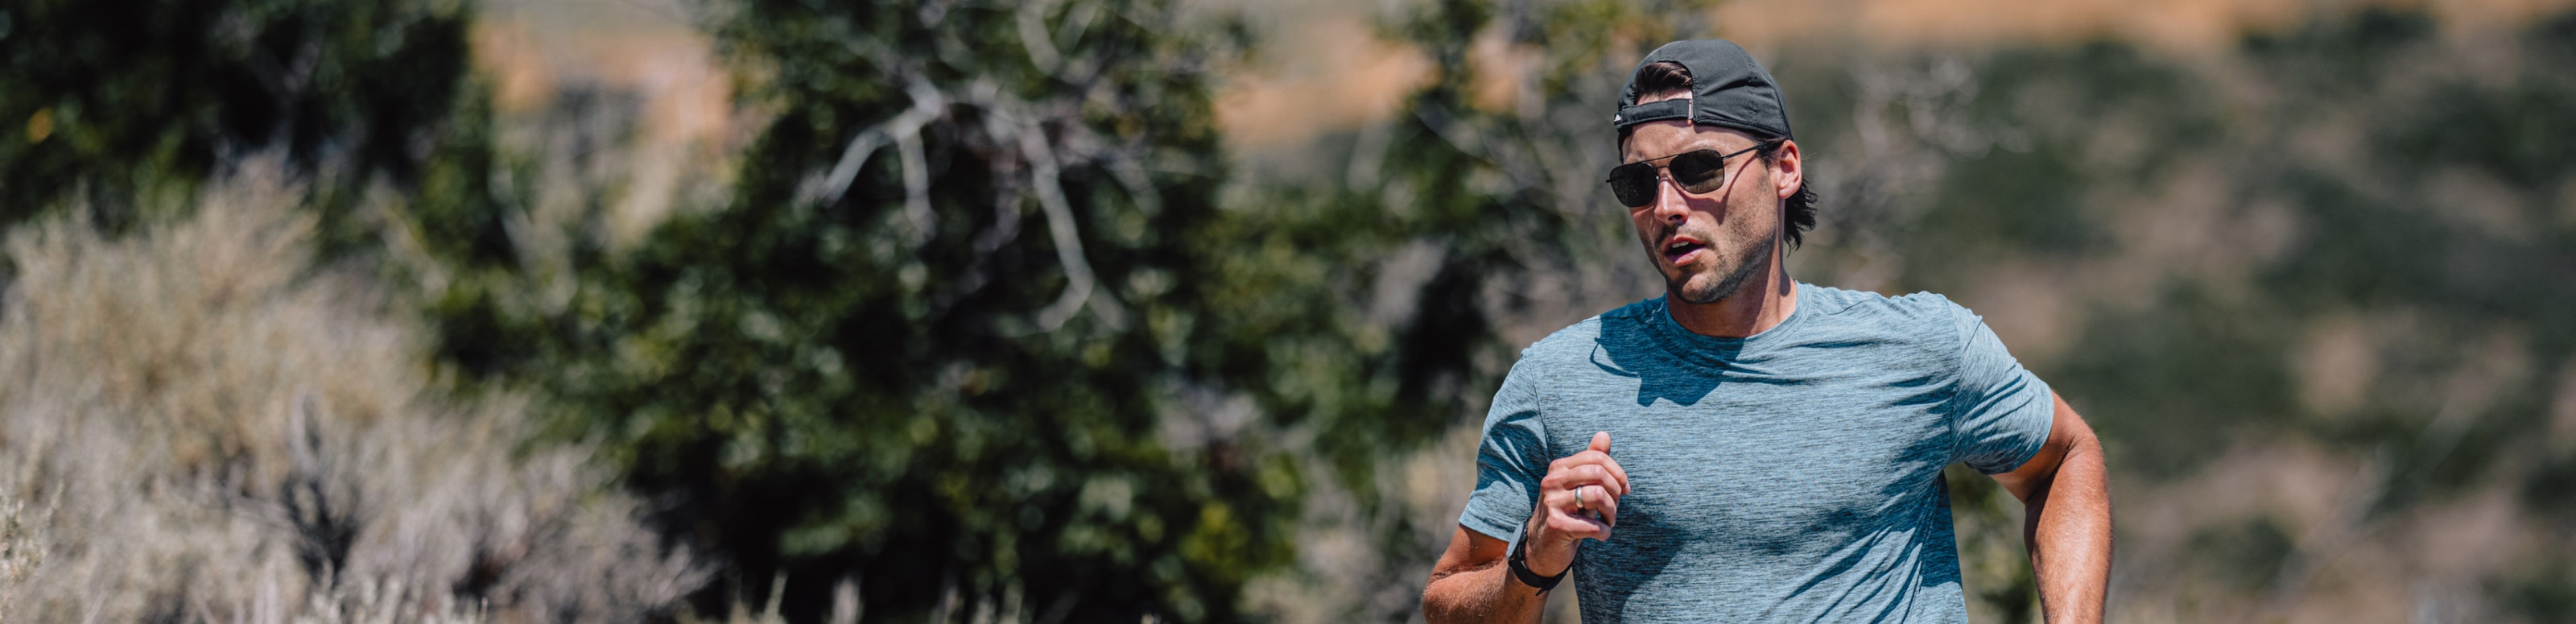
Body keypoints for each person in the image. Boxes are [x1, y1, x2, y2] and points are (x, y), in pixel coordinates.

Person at [1418, 39, 2112, 622]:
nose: (1666, 206)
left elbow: (2064, 460)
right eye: (1638, 183)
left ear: (1784, 168)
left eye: (1698, 169)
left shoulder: (1922, 347)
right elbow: (1448, 600)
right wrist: (1530, 564)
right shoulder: (1557, 380)